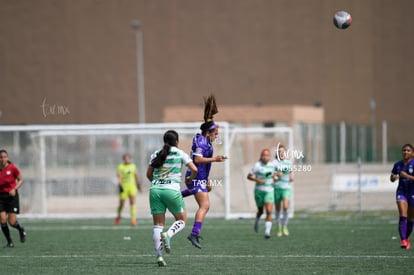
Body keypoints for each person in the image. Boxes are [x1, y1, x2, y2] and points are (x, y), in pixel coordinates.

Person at [181, 94, 227, 249]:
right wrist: (216, 159)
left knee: (205, 194)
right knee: (205, 205)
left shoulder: (205, 139)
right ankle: (194, 234)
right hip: (194, 175)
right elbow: (198, 160)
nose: (217, 135)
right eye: (215, 133)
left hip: (199, 176)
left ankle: (173, 195)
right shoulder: (202, 141)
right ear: (209, 133)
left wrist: (206, 178)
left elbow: (201, 163)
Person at [147, 130, 198, 267]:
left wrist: (157, 183)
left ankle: (159, 257)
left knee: (157, 225)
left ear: (164, 141)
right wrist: (189, 178)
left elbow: (149, 174)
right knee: (182, 220)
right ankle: (168, 235)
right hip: (172, 190)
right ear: (177, 141)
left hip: (155, 190)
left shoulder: (156, 153)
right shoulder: (180, 153)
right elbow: (195, 169)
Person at [0, 149, 26, 248]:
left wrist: (14, 189)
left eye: (4, 157)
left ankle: (20, 229)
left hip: (11, 197)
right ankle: (10, 242)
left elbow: (20, 179)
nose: (2, 159)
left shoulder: (12, 168)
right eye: (0, 157)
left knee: (11, 222)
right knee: (2, 219)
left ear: (8, 158)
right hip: (0, 197)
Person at [390, 143, 414, 250]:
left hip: (413, 193)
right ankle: (403, 240)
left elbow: (407, 176)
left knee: (411, 218)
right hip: (402, 192)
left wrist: (407, 176)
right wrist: (394, 177)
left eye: (408, 150)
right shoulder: (398, 164)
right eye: (404, 150)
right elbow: (391, 178)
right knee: (403, 215)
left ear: (412, 153)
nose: (405, 152)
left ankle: (406, 238)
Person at [247, 149, 275, 239]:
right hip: (259, 191)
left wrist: (276, 177)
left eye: (267, 155)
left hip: (269, 191)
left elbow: (274, 175)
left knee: (269, 211)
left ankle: (267, 232)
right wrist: (258, 180)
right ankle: (257, 220)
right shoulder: (257, 165)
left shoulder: (272, 165)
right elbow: (249, 176)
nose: (265, 157)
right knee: (261, 211)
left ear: (269, 156)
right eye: (263, 155)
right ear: (261, 156)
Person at [114, 153, 142, 226]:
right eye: (125, 158)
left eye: (128, 158)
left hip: (132, 187)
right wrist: (119, 185)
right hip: (124, 187)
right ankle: (118, 216)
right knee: (122, 204)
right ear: (123, 159)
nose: (127, 159)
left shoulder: (133, 166)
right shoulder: (120, 167)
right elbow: (119, 177)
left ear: (130, 159)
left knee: (132, 202)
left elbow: (135, 175)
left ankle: (133, 220)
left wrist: (138, 184)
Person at [273, 144, 294, 237]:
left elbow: (290, 172)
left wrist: (291, 177)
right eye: (280, 151)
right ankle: (278, 227)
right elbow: (271, 175)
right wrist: (277, 174)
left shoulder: (288, 162)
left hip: (286, 188)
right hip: (277, 188)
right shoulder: (274, 163)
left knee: (285, 207)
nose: (282, 153)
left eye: (283, 151)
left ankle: (285, 226)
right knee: (278, 209)